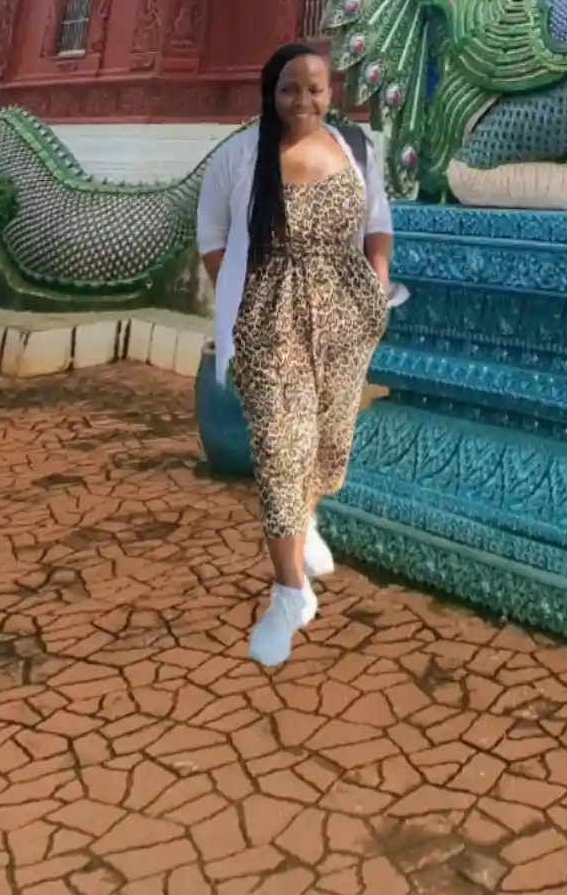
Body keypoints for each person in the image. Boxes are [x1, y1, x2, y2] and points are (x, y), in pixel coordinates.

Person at [195, 42, 393, 668]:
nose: (302, 101)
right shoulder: (241, 156)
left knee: (327, 445)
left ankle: (305, 526)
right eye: (289, 89)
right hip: (270, 318)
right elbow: (211, 234)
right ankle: (288, 595)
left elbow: (378, 221)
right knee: (282, 448)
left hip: (345, 314)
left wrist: (378, 283)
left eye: (314, 89)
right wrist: (244, 298)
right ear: (270, 92)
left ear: (330, 93)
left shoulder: (356, 149)